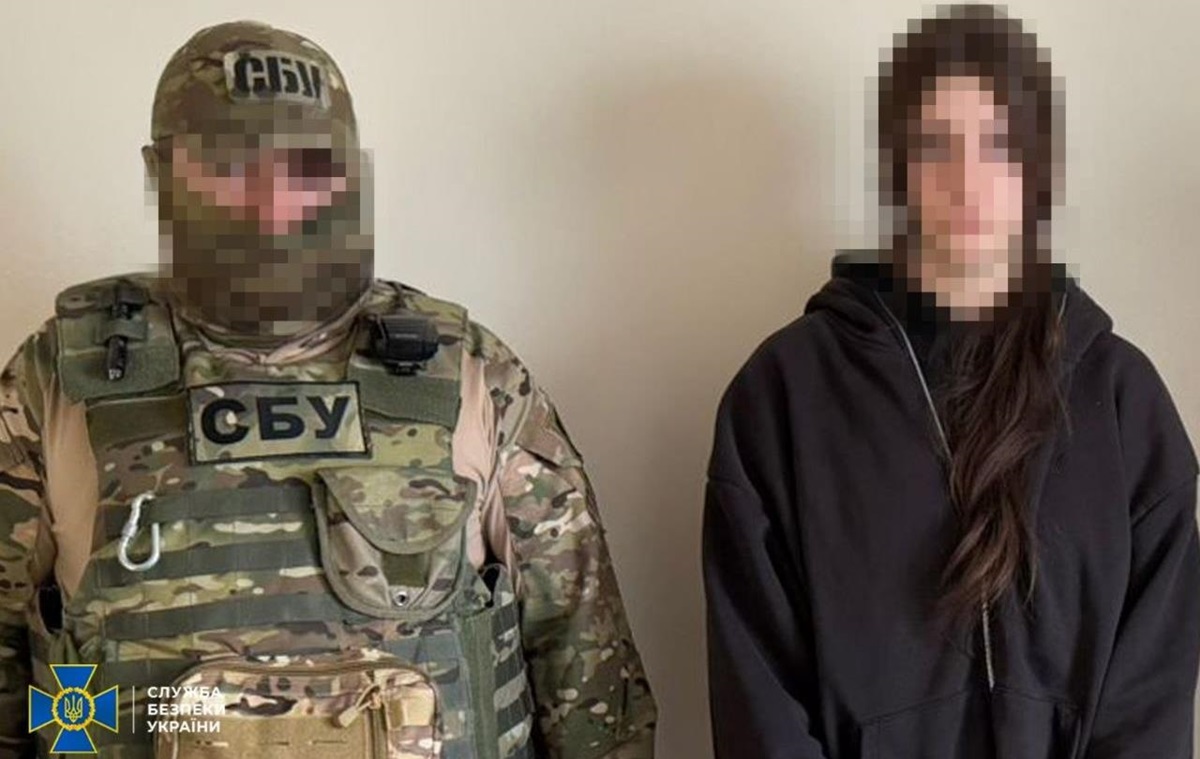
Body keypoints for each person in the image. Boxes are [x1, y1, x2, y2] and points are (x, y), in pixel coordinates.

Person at [0, 20, 655, 758]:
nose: (274, 200)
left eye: (309, 165)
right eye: (229, 164)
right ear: (163, 172)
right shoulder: (59, 382)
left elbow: (589, 674)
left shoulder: (468, 374)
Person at [703, 4, 1199, 758]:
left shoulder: (1125, 401)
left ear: (1038, 170)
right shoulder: (783, 394)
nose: (968, 181)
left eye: (998, 145)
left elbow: (1152, 701)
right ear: (896, 168)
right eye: (936, 145)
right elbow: (758, 694)